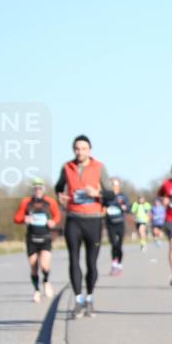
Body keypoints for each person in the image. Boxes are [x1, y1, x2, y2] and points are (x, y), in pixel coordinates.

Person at [54, 135, 109, 317]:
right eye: (77, 149)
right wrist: (61, 198)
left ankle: (90, 297)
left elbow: (110, 195)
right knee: (74, 259)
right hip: (73, 219)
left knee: (91, 263)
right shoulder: (67, 167)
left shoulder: (99, 167)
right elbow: (58, 187)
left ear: (89, 150)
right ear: (73, 150)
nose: (80, 152)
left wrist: (97, 192)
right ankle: (78, 299)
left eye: (83, 148)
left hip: (93, 220)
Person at [13, 177, 61, 302]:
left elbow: (57, 216)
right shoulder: (26, 202)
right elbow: (17, 218)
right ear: (32, 190)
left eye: (40, 188)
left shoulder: (50, 202)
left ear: (43, 189)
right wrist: (24, 219)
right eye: (35, 188)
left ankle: (46, 281)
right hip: (32, 238)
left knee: (44, 265)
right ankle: (36, 290)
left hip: (45, 237)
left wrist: (53, 222)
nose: (38, 191)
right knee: (33, 266)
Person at [103, 178, 130, 276]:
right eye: (113, 185)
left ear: (119, 186)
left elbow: (128, 208)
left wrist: (124, 207)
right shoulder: (107, 196)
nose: (114, 187)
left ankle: (119, 264)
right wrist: (104, 209)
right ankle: (114, 264)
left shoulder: (123, 196)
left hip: (120, 222)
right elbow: (102, 206)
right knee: (113, 244)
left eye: (116, 185)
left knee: (119, 245)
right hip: (110, 223)